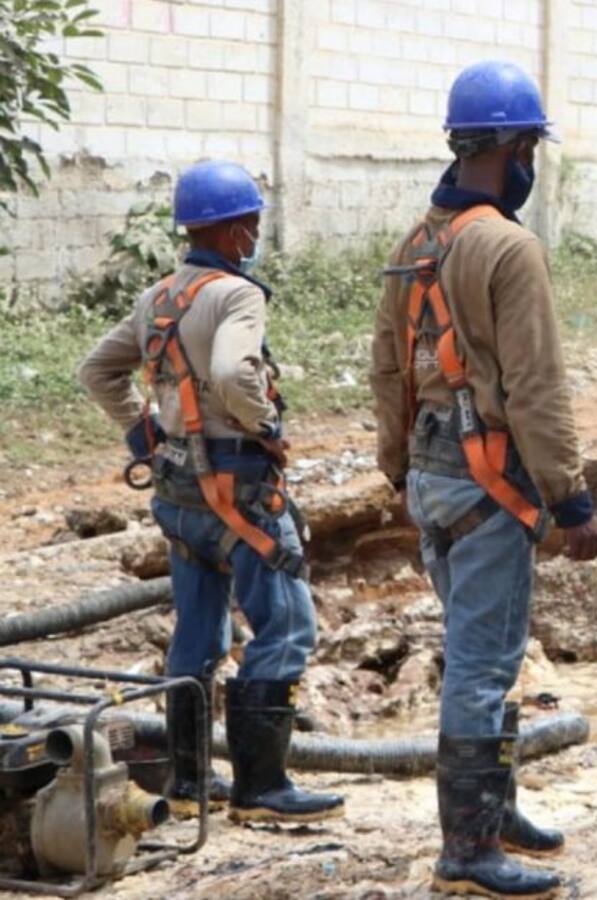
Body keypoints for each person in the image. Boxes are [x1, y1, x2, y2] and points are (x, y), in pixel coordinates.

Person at [370, 60, 597, 897]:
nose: (531, 161)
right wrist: (571, 498)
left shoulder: (417, 244)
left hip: (433, 482)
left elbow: (388, 373)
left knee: (487, 654)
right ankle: (466, 850)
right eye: (530, 146)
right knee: (480, 670)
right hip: (490, 484)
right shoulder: (508, 247)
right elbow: (538, 386)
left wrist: (397, 470)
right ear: (509, 148)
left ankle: (494, 812)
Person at [78, 161, 344, 825]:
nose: (254, 231)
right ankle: (262, 789)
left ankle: (193, 781)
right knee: (284, 627)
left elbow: (97, 371)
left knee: (197, 635)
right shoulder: (236, 296)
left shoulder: (159, 297)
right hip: (240, 496)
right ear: (231, 230)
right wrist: (265, 422)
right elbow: (230, 369)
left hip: (180, 497)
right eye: (249, 221)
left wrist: (144, 434)